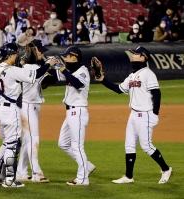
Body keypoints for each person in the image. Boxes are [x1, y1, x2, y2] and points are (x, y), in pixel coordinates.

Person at [94, 46, 173, 184]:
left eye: (136, 54)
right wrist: (103, 80)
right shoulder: (132, 76)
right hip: (134, 115)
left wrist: (155, 113)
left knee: (146, 146)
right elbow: (119, 89)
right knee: (129, 145)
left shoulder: (148, 74)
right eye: (132, 54)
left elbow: (156, 93)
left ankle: (166, 169)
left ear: (144, 57)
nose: (133, 56)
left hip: (146, 114)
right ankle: (128, 176)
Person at [0, 42, 59, 188]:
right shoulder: (13, 70)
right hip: (11, 110)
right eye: (14, 54)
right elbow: (36, 75)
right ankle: (9, 180)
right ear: (10, 55)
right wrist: (48, 64)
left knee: (6, 142)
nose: (16, 56)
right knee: (12, 144)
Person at [52, 46, 95, 185]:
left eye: (67, 56)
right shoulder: (71, 70)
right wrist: (49, 64)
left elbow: (77, 83)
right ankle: (87, 166)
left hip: (78, 112)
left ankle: (83, 179)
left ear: (74, 57)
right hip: (70, 113)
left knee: (77, 146)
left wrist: (63, 69)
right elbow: (56, 76)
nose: (65, 58)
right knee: (63, 143)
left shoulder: (82, 71)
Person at [16, 39, 50, 183]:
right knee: (33, 138)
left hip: (32, 106)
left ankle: (21, 173)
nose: (42, 53)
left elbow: (47, 82)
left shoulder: (31, 66)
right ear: (33, 51)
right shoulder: (31, 68)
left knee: (27, 140)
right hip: (27, 106)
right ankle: (37, 173)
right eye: (39, 50)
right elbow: (47, 78)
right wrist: (49, 64)